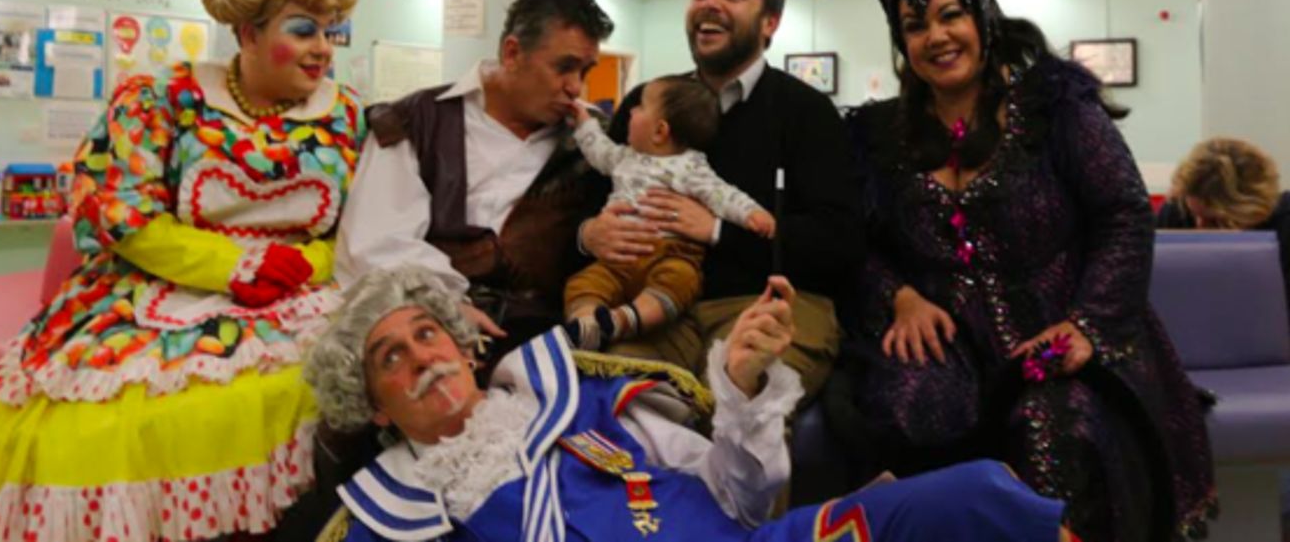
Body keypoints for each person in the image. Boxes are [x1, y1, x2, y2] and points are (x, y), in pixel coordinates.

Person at [776, 0, 1215, 542]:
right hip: (946, 343)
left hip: (1061, 331)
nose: (936, 36)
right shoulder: (877, 136)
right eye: (915, 24)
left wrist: (1089, 325)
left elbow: (1125, 214)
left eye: (950, 14)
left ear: (980, 13)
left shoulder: (1056, 106)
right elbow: (862, 243)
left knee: (1056, 426)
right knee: (912, 407)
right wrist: (900, 296)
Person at [0, 0, 367, 542]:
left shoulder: (348, 115)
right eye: (303, 30)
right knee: (86, 424)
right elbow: (122, 213)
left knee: (323, 395)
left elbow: (360, 223)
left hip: (302, 295)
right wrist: (234, 264)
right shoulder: (159, 99)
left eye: (333, 32)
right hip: (154, 292)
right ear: (247, 31)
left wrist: (306, 262)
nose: (323, 48)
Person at [303, 264, 1076, 542]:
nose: (423, 359)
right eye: (390, 358)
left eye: (428, 333)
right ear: (375, 408)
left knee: (980, 493)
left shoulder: (582, 396)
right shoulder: (395, 515)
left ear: (464, 346)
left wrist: (739, 382)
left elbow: (744, 499)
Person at [579, 0, 863, 404]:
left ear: (770, 23)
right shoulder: (645, 104)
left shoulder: (807, 113)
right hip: (655, 309)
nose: (710, 4)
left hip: (769, 304)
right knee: (615, 402)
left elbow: (839, 243)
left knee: (739, 404)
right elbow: (591, 198)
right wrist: (590, 235)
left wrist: (717, 231)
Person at [335, 0, 614, 355]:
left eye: (585, 71)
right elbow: (372, 245)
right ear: (512, 53)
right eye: (564, 67)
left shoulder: (596, 140)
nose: (575, 87)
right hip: (430, 337)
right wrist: (446, 307)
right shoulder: (413, 121)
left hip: (556, 342)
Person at [563, 75, 775, 351]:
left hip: (672, 252)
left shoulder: (690, 167)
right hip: (620, 254)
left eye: (640, 106)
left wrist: (751, 213)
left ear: (660, 131)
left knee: (680, 282)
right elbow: (598, 150)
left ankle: (623, 320)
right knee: (584, 282)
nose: (631, 110)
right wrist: (583, 122)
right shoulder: (623, 157)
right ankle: (586, 324)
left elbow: (721, 194)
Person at [1158, 137, 1290, 311]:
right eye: (1194, 214)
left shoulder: (1285, 226)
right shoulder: (1176, 212)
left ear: (1255, 211)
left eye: (1216, 222)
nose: (1200, 228)